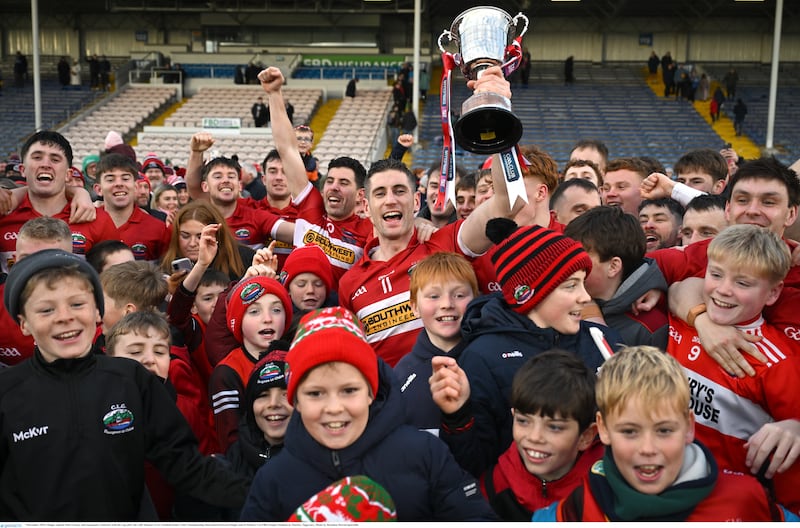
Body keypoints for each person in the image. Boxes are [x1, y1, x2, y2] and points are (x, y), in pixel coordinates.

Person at [0, 249, 249, 520]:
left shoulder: (132, 380)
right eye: (47, 309)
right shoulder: (7, 394)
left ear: (97, 311)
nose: (64, 317)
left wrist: (269, 499)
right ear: (23, 323)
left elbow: (186, 466)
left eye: (77, 304)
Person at [240, 307, 497, 521]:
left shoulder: (425, 454)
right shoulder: (273, 480)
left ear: (371, 392)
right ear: (295, 400)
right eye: (315, 394)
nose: (334, 408)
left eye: (349, 390)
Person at [430, 219, 624, 478]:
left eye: (582, 283)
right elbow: (474, 463)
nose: (585, 297)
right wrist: (458, 417)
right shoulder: (482, 357)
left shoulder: (604, 343)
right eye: (570, 286)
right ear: (531, 293)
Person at [534, 345, 799, 521]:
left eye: (663, 430)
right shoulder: (580, 507)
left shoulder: (745, 499)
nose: (648, 448)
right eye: (629, 431)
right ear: (602, 428)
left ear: (688, 426)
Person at [666, 224, 800, 513]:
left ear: (773, 293)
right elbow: (676, 288)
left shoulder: (775, 363)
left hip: (718, 503)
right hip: (648, 480)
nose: (723, 289)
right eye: (715, 275)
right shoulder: (682, 318)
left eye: (743, 283)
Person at [481, 350, 603, 520]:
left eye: (554, 427)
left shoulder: (606, 486)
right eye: (523, 421)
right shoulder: (494, 487)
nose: (534, 437)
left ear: (586, 436)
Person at [0, 131, 122, 273]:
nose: (46, 164)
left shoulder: (98, 220)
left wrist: (80, 192)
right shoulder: (4, 214)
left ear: (68, 174)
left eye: (55, 159)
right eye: (37, 157)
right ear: (23, 169)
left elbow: (115, 283)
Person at [394, 252, 478, 434]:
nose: (447, 304)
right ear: (415, 307)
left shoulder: (488, 361)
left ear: (475, 299)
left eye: (459, 295)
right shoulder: (400, 375)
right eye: (434, 296)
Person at [564, 205, 669, 348]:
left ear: (613, 266)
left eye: (580, 258)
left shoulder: (650, 329)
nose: (569, 265)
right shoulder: (561, 299)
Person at [210, 275, 292, 451]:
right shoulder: (227, 372)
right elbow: (231, 441)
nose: (268, 318)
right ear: (238, 321)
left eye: (276, 310)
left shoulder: (297, 359)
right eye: (254, 311)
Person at [0, 217, 74, 368]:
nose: (36, 268)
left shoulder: (94, 303)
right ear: (14, 261)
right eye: (27, 259)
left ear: (72, 262)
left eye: (50, 259)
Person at [93, 153, 170, 263]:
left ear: (135, 186)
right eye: (110, 180)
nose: (119, 184)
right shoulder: (87, 223)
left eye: (125, 178)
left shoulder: (158, 229)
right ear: (98, 189)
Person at [160, 201, 253, 281]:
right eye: (185, 236)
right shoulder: (166, 265)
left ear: (217, 235)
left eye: (200, 237)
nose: (192, 244)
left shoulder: (243, 258)